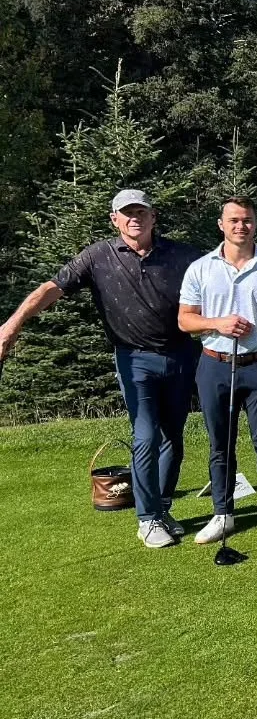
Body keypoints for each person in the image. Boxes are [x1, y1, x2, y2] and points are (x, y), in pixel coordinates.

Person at [0, 189, 202, 549]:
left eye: (141, 211)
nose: (134, 218)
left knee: (173, 436)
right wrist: (12, 324)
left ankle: (163, 507)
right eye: (126, 213)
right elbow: (52, 288)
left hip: (181, 356)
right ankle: (147, 519)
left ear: (153, 216)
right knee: (145, 435)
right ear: (115, 219)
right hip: (133, 359)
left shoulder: (183, 255)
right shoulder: (98, 256)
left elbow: (219, 280)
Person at [178, 196, 257, 544]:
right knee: (219, 443)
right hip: (214, 365)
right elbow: (185, 320)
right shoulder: (201, 268)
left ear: (255, 224)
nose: (240, 226)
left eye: (247, 220)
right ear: (221, 225)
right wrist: (218, 324)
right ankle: (222, 513)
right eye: (234, 220)